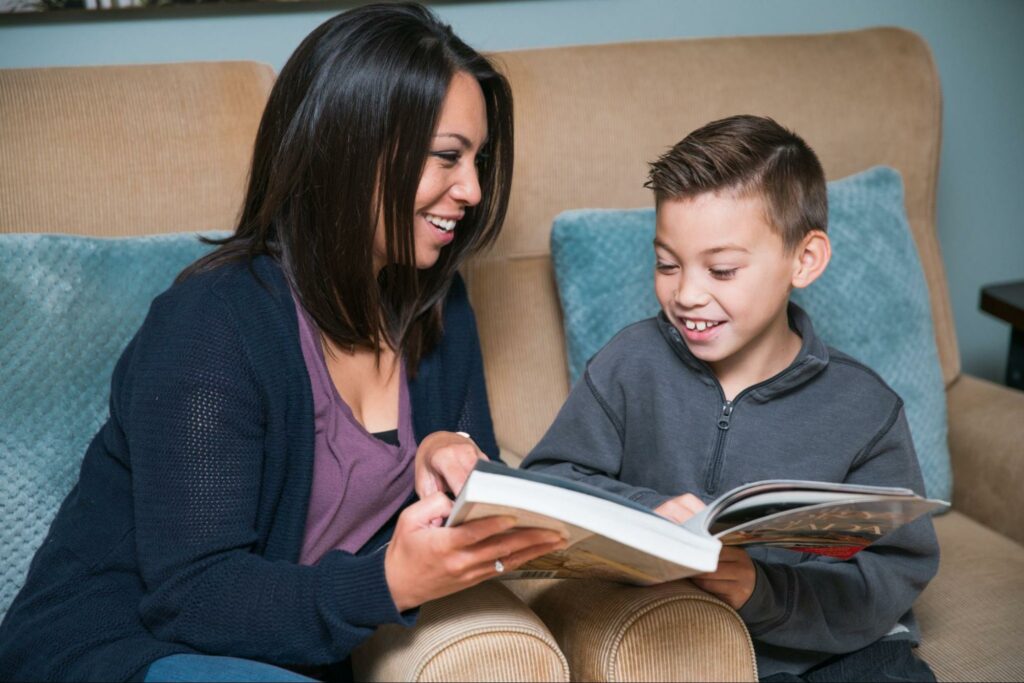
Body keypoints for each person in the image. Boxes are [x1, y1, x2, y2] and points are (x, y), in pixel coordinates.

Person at [0, 4, 566, 681]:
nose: (472, 189)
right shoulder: (211, 324)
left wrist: (449, 454)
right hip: (126, 651)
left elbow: (468, 525)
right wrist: (387, 580)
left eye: (478, 160)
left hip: (284, 657)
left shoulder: (437, 310)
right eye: (448, 156)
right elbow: (191, 597)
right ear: (351, 147)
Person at [521, 115, 940, 682]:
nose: (687, 294)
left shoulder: (864, 406)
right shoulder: (630, 365)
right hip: (689, 640)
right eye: (667, 264)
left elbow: (895, 565)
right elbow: (550, 479)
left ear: (805, 260)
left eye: (721, 270)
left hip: (846, 649)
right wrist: (645, 509)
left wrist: (764, 591)